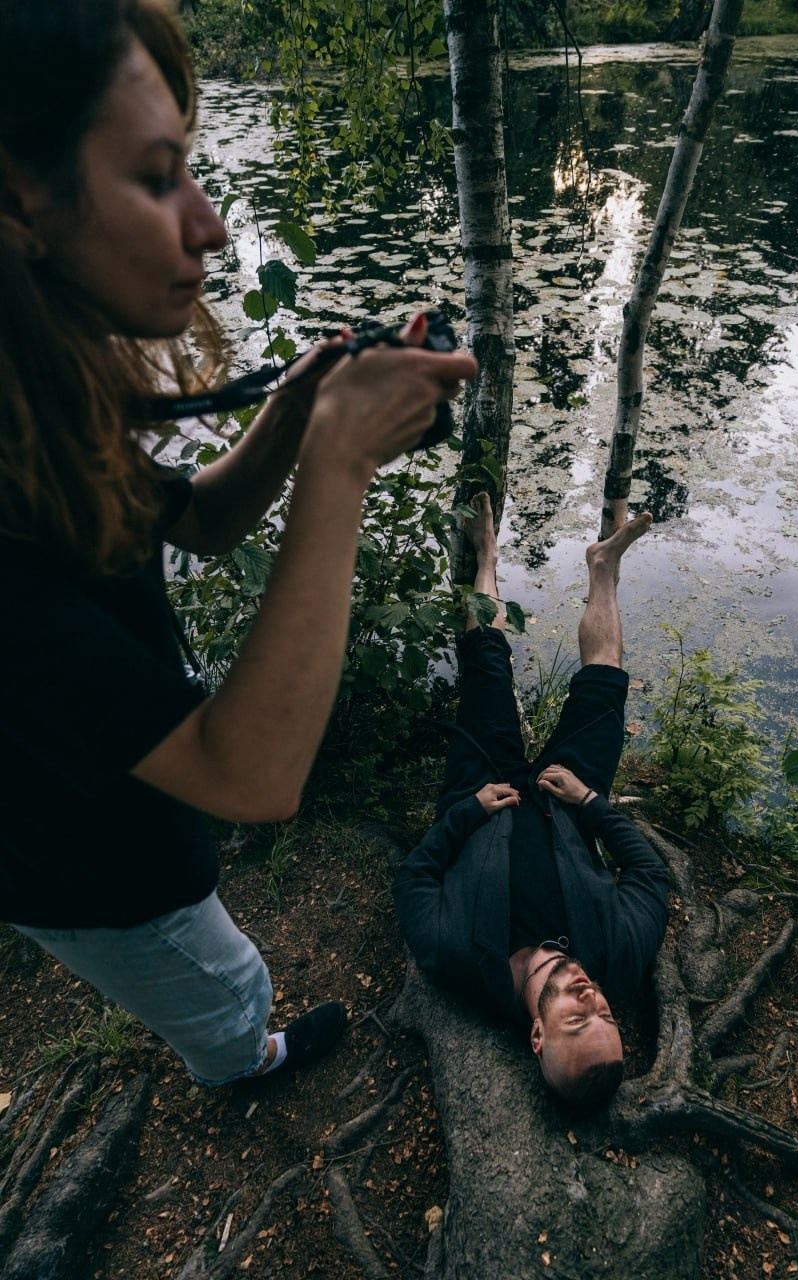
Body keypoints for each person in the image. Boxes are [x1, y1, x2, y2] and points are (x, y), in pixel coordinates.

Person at [0, 0, 477, 1087]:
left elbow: (205, 523)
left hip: (120, 805)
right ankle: (244, 1063)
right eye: (158, 177)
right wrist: (340, 462)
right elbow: (251, 773)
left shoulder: (39, 398)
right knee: (221, 980)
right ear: (19, 203)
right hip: (83, 871)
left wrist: (295, 411)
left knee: (205, 944)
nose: (211, 227)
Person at [393, 494, 670, 1111]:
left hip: (483, 789)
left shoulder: (456, 959)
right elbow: (650, 874)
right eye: (607, 1015)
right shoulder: (617, 957)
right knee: (606, 680)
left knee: (487, 665)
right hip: (565, 798)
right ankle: (603, 567)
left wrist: (470, 810)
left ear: (537, 1035)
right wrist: (591, 802)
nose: (592, 998)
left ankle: (486, 558)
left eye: (578, 1019)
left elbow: (414, 876)